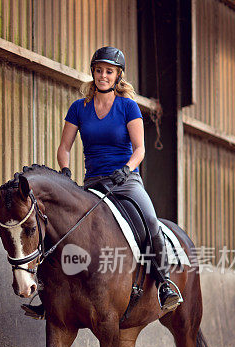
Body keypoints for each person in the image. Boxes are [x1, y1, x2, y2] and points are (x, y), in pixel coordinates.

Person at [23, 46, 182, 320]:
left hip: (125, 181)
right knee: (59, 229)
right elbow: (65, 146)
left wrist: (127, 170)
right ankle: (48, 295)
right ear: (93, 72)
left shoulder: (127, 107)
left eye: (109, 71)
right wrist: (65, 170)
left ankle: (165, 283)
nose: (103, 76)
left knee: (151, 222)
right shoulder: (79, 108)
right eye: (99, 70)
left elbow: (140, 149)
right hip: (93, 183)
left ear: (118, 75)